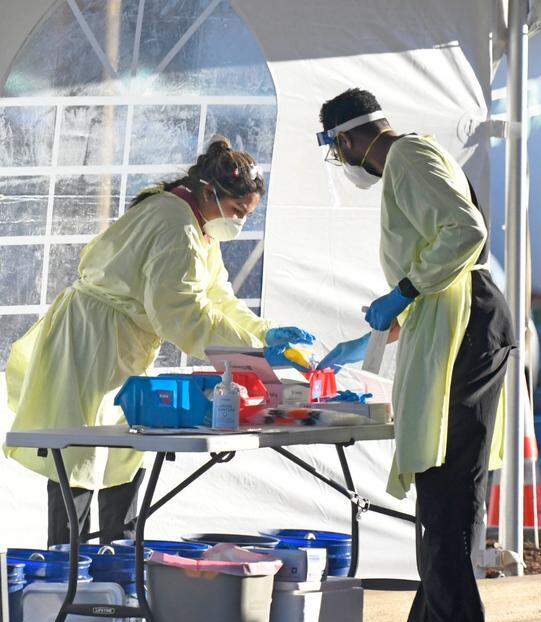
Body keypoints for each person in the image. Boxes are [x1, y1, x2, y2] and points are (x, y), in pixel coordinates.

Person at [4, 137, 314, 547]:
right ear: (210, 192)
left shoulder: (197, 223)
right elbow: (182, 313)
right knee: (79, 449)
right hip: (92, 338)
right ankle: (69, 572)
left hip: (123, 338)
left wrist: (262, 331)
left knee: (126, 450)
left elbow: (215, 296)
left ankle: (120, 560)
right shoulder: (175, 224)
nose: (239, 222)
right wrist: (251, 354)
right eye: (238, 211)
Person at [316, 89, 515, 622]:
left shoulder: (405, 158)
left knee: (447, 485)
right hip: (454, 325)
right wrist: (384, 329)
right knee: (440, 485)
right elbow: (438, 252)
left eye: (337, 150)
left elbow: (465, 233)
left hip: (469, 328)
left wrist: (403, 289)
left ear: (348, 141)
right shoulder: (414, 158)